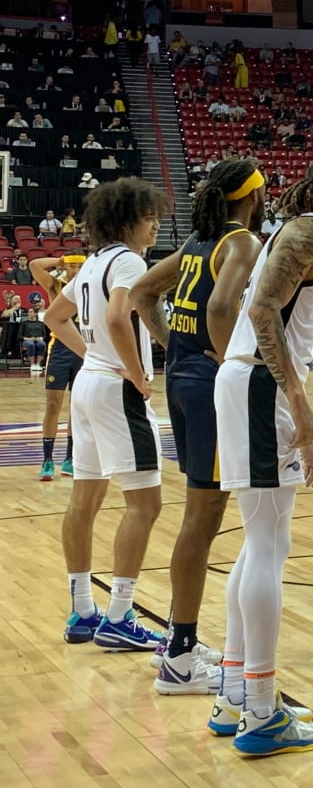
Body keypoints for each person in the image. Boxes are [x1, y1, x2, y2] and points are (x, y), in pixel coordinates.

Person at [211, 153, 313, 756]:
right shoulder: (307, 232)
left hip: (251, 381)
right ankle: (260, 711)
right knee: (269, 546)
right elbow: (259, 311)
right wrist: (300, 405)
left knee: (261, 543)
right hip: (261, 385)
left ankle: (234, 694)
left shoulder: (309, 233)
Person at [130, 160, 266, 695]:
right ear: (252, 196)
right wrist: (235, 359)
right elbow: (220, 307)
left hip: (184, 381)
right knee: (202, 519)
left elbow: (143, 292)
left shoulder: (195, 243)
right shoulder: (241, 243)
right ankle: (181, 659)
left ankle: (175, 640)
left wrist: (174, 346)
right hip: (209, 388)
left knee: (201, 516)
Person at [44, 178, 168, 649]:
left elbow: (54, 318)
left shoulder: (93, 261)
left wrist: (92, 355)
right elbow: (118, 318)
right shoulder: (130, 262)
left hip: (88, 385)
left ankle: (82, 611)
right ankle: (118, 616)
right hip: (116, 390)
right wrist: (136, 374)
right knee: (145, 504)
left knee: (84, 501)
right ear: (126, 221)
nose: (155, 225)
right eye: (148, 217)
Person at [32, 252, 86, 479]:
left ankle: (70, 458)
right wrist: (60, 261)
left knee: (77, 407)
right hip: (61, 350)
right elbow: (35, 265)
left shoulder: (90, 287)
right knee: (53, 404)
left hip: (85, 350)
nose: (76, 270)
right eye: (72, 266)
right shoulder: (57, 286)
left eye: (79, 267)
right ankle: (47, 460)